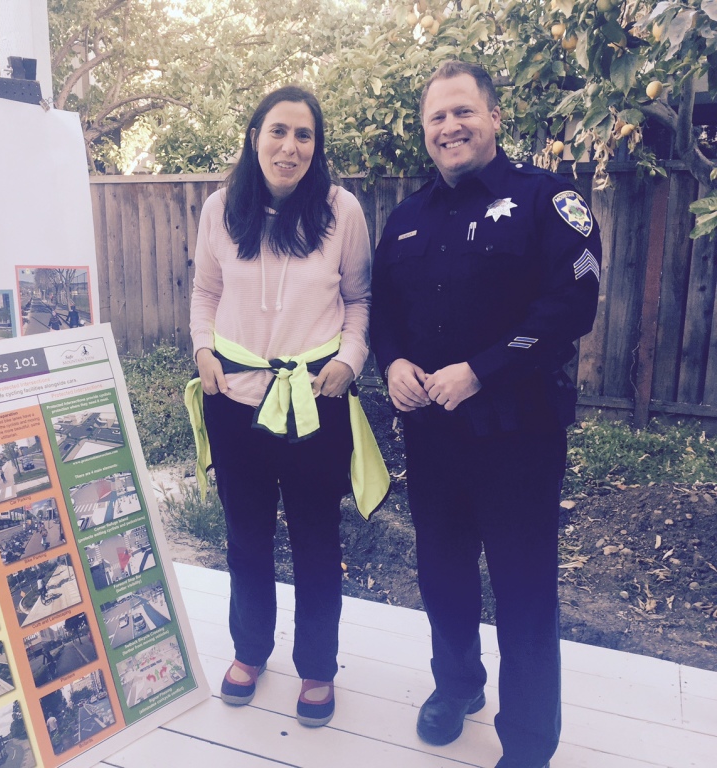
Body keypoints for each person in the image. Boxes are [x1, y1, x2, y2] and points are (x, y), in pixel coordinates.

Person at [369, 62, 601, 768]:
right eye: (437, 117)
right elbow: (383, 315)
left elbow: (572, 308)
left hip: (519, 438)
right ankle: (458, 686)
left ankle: (529, 743)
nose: (450, 127)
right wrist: (393, 365)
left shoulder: (545, 199)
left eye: (463, 112)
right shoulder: (406, 219)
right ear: (425, 130)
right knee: (443, 574)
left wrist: (481, 371)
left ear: (494, 117)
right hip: (433, 439)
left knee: (524, 590)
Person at [187, 85, 376, 728]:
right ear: (254, 136)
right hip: (234, 400)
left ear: (316, 147)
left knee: (317, 539)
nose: (289, 146)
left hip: (314, 404)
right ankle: (249, 650)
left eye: (303, 135)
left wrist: (348, 362)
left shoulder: (341, 211)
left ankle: (318, 666)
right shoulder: (220, 208)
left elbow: (359, 300)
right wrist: (203, 354)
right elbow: (205, 293)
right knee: (247, 536)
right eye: (278, 131)